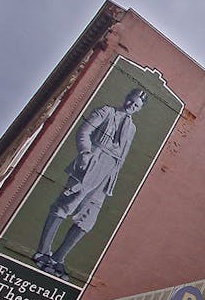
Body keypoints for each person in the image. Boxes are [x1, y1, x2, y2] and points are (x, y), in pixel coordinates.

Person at [33, 88, 146, 281]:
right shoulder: (106, 111)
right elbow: (84, 131)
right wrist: (85, 154)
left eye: (136, 105)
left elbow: (123, 155)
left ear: (139, 109)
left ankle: (58, 258)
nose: (131, 106)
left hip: (108, 171)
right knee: (66, 204)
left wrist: (112, 177)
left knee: (88, 218)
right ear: (126, 98)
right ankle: (43, 252)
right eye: (130, 100)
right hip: (93, 160)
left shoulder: (132, 128)